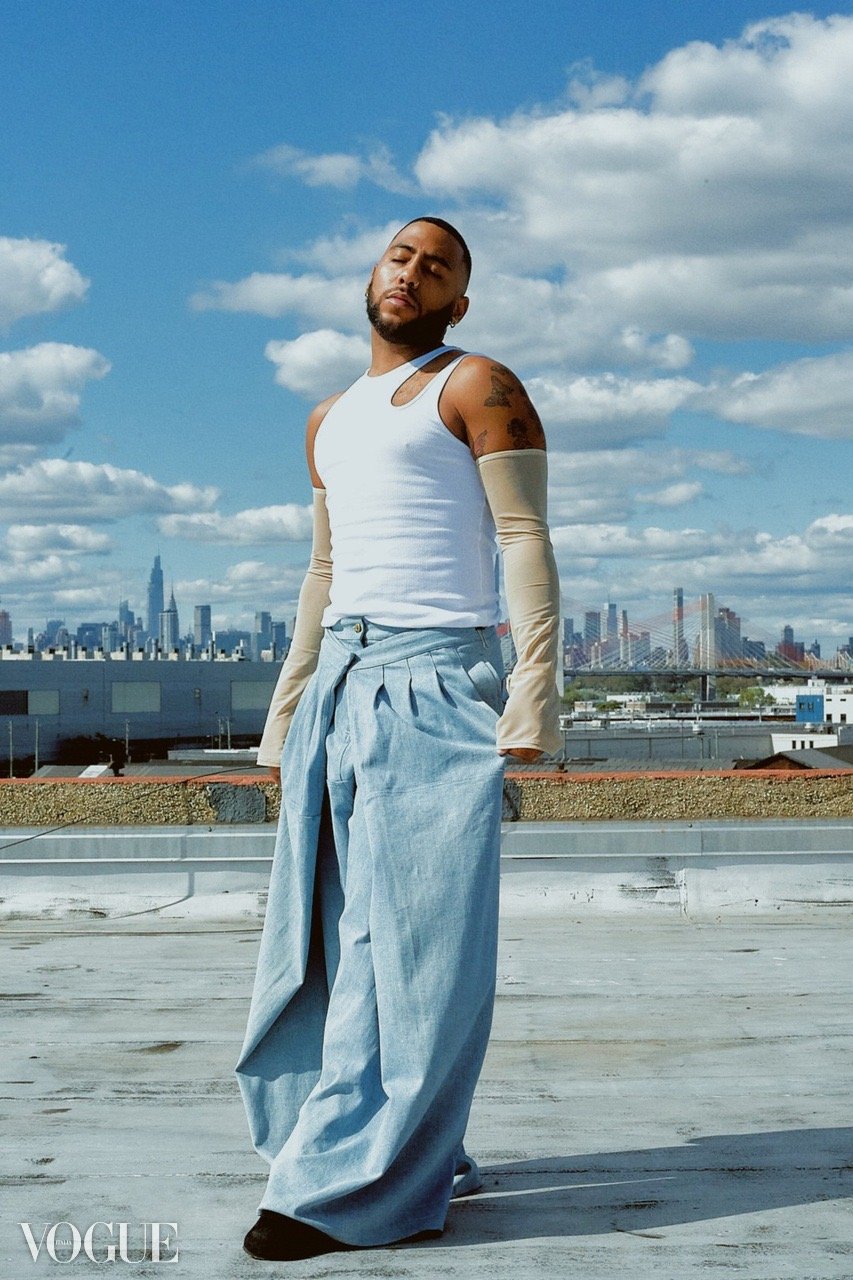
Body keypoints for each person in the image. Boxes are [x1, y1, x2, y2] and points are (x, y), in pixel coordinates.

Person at [236, 216, 562, 1262]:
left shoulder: (475, 384)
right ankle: (367, 1143)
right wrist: (287, 708)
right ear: (373, 273)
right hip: (339, 679)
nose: (412, 272)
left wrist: (534, 689)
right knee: (322, 940)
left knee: (418, 950)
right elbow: (323, 572)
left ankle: (351, 1189)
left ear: (457, 301)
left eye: (438, 266)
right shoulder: (326, 418)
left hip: (435, 679)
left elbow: (523, 536)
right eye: (400, 255)